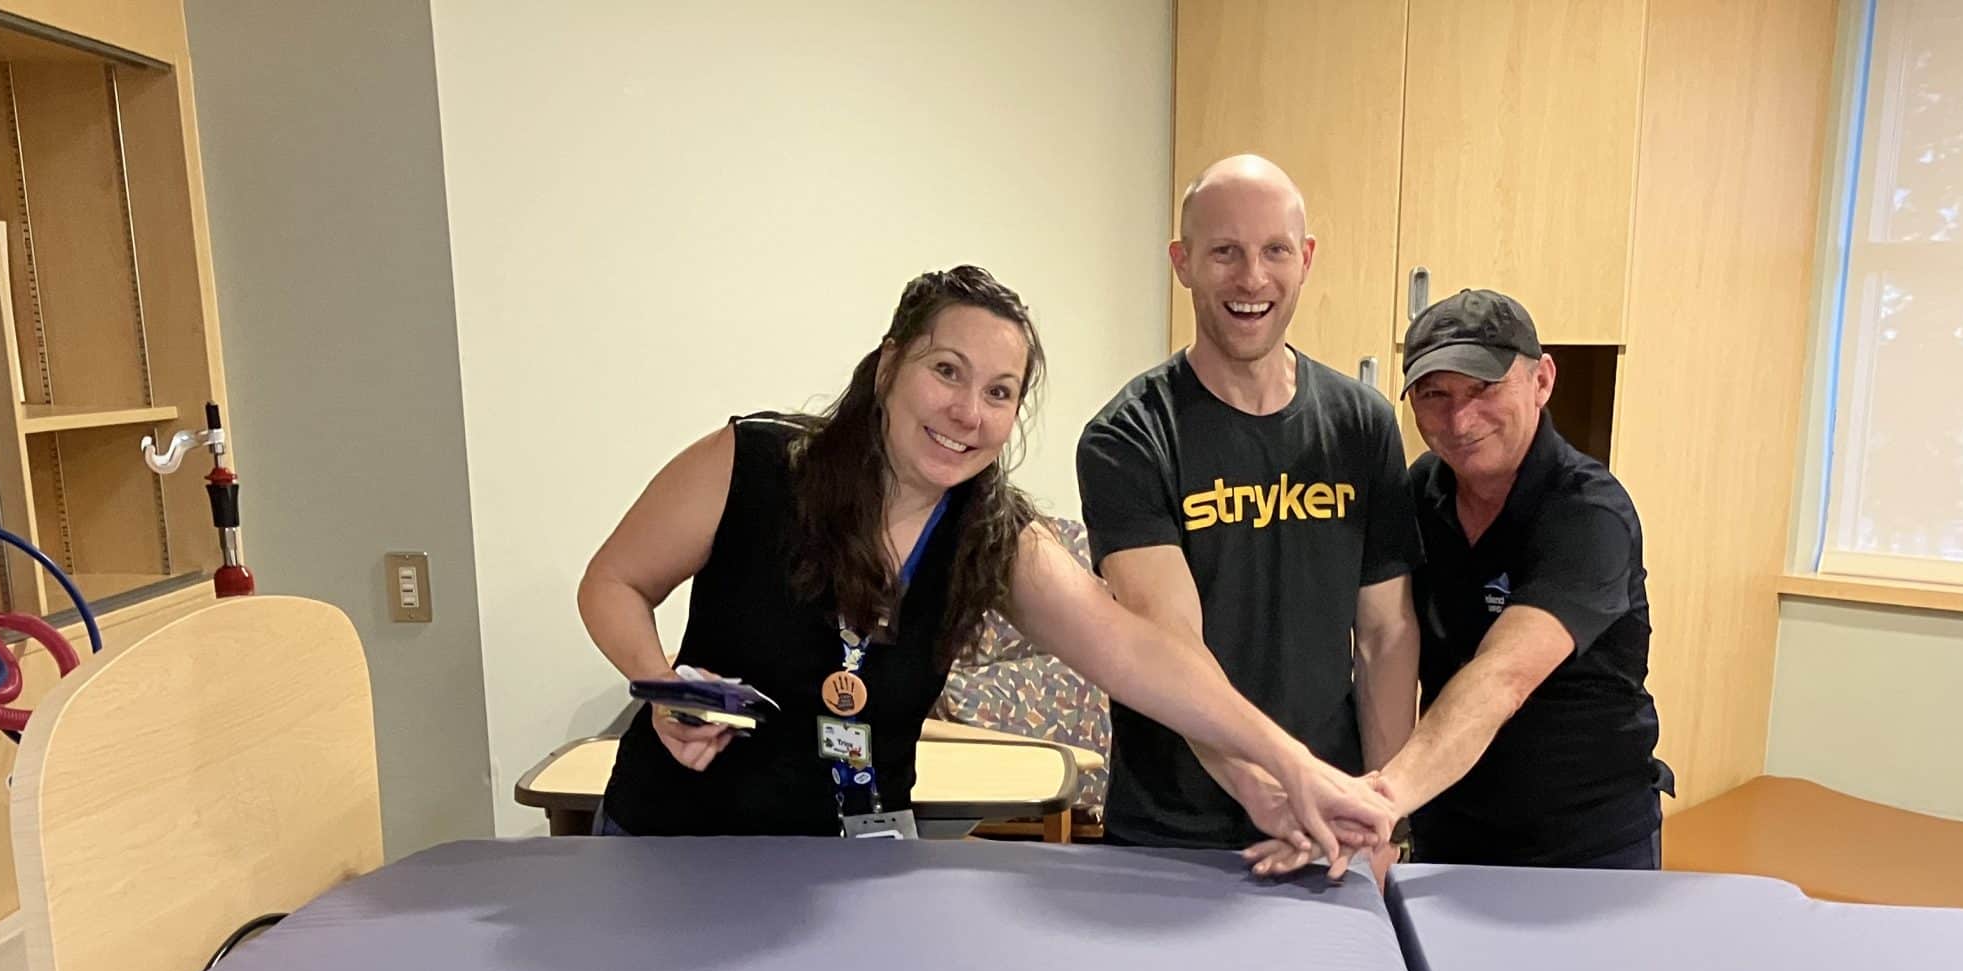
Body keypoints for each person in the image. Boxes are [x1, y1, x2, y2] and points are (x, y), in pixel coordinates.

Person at [577, 265, 1394, 877]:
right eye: (948, 372)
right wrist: (661, 688)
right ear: (891, 364)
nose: (969, 413)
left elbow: (1143, 655)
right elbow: (613, 583)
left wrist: (1290, 766)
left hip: (853, 880)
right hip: (677, 851)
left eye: (1001, 393)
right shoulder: (752, 465)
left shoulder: (995, 538)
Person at [1075, 156, 1419, 870]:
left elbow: (1385, 635)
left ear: (1307, 260)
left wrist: (1380, 815)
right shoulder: (1129, 438)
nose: (1252, 279)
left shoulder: (1363, 425)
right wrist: (1272, 784)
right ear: (1183, 262)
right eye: (1224, 251)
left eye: (1275, 251)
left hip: (1333, 825)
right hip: (1171, 831)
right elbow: (1170, 647)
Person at [1365, 288, 1669, 869]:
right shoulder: (1418, 495)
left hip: (1585, 843)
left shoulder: (1588, 511)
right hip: (1449, 831)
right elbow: (1379, 640)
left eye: (1483, 389)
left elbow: (1502, 677)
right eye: (1434, 395)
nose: (1459, 419)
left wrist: (1378, 804)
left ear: (1542, 380)